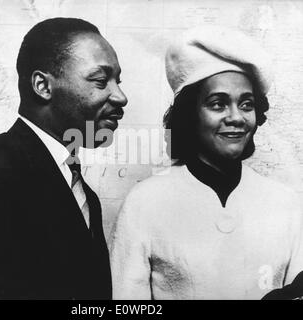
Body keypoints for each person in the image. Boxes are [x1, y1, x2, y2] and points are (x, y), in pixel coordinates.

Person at [0, 17, 127, 299]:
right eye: (101, 81)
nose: (121, 97)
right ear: (42, 85)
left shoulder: (86, 197)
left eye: (117, 82)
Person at [110, 26, 303, 300]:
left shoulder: (286, 204)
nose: (236, 117)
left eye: (246, 104)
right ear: (189, 115)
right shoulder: (145, 203)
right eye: (218, 104)